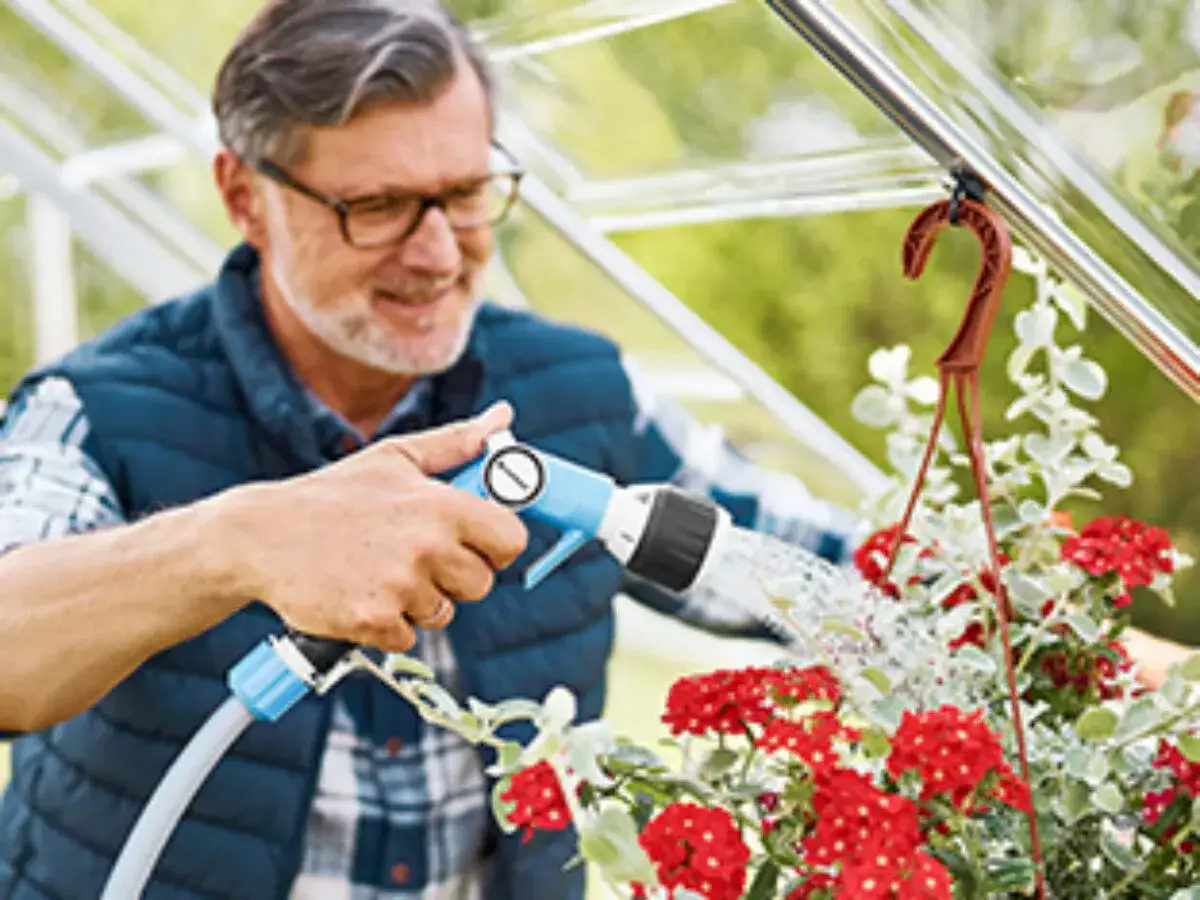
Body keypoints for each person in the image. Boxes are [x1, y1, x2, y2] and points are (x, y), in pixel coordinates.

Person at [0, 2, 861, 899]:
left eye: (464, 193)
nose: (440, 252)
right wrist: (235, 543)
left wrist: (991, 586)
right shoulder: (95, 409)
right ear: (243, 196)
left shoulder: (583, 392)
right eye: (376, 207)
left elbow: (810, 571)